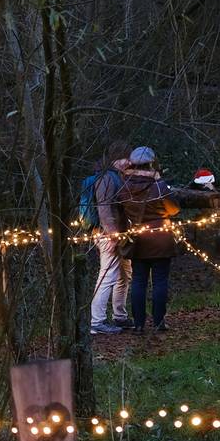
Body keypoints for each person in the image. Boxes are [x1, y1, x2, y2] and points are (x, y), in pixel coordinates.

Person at [117, 146, 180, 333]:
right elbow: (174, 209)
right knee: (160, 281)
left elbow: (122, 209)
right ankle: (159, 322)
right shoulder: (158, 185)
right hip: (160, 237)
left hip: (137, 237)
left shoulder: (124, 185)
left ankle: (138, 324)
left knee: (138, 281)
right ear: (152, 163)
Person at [88, 142, 133, 335]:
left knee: (124, 274)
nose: (129, 162)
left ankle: (119, 316)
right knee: (107, 276)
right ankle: (97, 322)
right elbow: (104, 208)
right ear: (116, 160)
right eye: (126, 158)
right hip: (108, 236)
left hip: (118, 235)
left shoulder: (116, 177)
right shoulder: (106, 178)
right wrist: (113, 233)